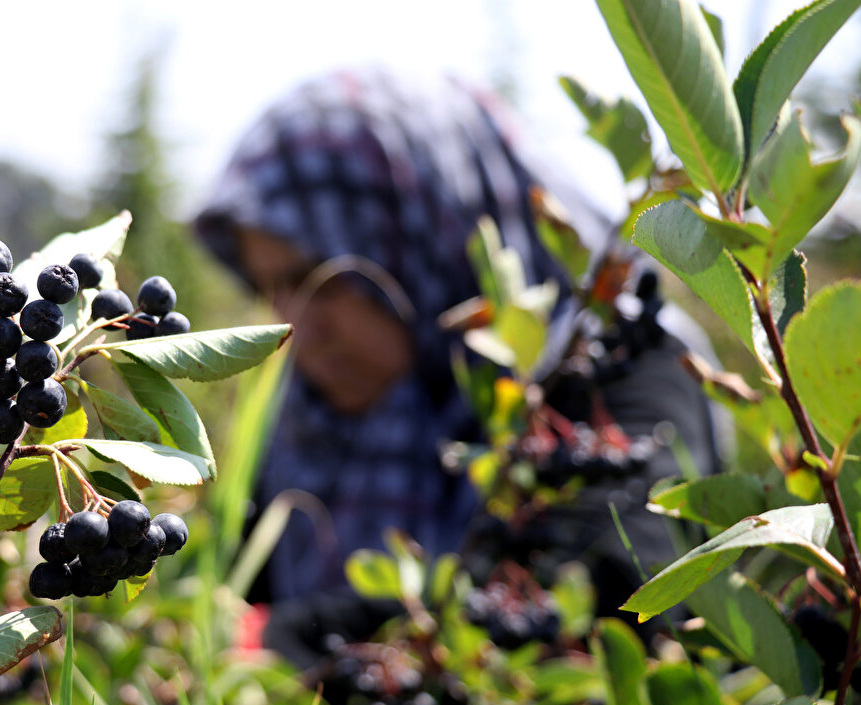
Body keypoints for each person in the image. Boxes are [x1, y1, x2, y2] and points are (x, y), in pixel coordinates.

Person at [193, 67, 718, 668]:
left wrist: (289, 646)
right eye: (271, 289)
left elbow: (592, 616)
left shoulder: (621, 376)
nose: (294, 327)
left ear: (422, 238)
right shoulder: (305, 425)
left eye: (323, 280)